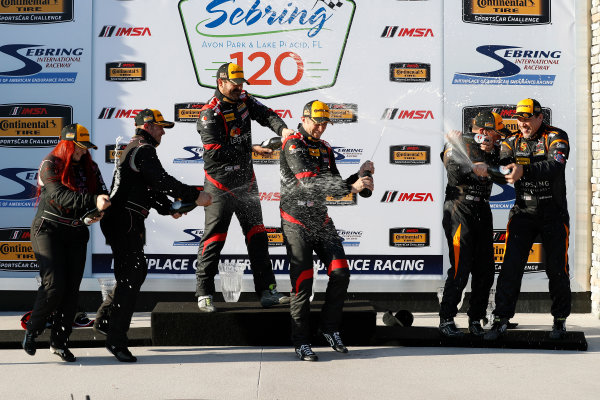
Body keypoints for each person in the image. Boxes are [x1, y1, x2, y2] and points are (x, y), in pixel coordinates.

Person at [94, 109, 212, 362]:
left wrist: (169, 208)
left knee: (132, 274)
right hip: (124, 220)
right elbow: (161, 180)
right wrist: (194, 196)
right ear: (147, 126)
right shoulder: (143, 149)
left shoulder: (138, 148)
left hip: (126, 219)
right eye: (160, 127)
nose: (163, 132)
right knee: (133, 274)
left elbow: (148, 187)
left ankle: (105, 319)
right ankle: (116, 339)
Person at [195, 62, 293, 312]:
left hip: (246, 182)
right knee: (214, 239)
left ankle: (268, 292)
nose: (240, 88)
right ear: (221, 83)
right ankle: (204, 293)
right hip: (219, 185)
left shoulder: (244, 99)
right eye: (234, 84)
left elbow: (266, 114)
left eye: (241, 83)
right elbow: (215, 152)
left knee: (258, 236)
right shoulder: (210, 113)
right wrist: (250, 149)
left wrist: (283, 130)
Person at [280, 100, 374, 361]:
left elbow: (335, 183)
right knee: (303, 283)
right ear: (305, 118)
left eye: (325, 123)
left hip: (320, 220)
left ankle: (329, 329)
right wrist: (351, 188)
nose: (321, 127)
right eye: (317, 122)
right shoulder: (293, 143)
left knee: (341, 273)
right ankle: (301, 342)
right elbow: (309, 183)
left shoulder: (324, 148)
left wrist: (361, 176)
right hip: (295, 220)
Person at [22, 124, 110, 362]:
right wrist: (93, 200)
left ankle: (59, 342)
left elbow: (102, 193)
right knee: (54, 285)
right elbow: (59, 196)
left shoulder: (91, 166)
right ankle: (33, 330)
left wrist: (97, 210)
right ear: (65, 145)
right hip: (48, 229)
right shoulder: (49, 164)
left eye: (85, 148)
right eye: (79, 148)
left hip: (76, 232)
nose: (83, 153)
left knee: (71, 291)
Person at [485, 98, 571, 340]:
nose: (523, 124)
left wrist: (526, 169)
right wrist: (497, 169)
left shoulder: (556, 136)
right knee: (511, 267)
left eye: (527, 118)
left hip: (553, 213)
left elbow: (556, 165)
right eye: (519, 119)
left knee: (557, 269)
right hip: (523, 212)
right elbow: (504, 167)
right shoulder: (511, 141)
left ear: (540, 117)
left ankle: (560, 320)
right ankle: (501, 319)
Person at [438, 111, 501, 338]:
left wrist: (490, 155)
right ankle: (446, 318)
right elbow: (453, 172)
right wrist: (475, 163)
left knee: (485, 270)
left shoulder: (495, 149)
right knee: (461, 267)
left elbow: (505, 173)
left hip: (483, 209)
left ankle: (476, 318)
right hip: (459, 208)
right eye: (494, 133)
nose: (496, 138)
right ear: (484, 130)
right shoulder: (459, 141)